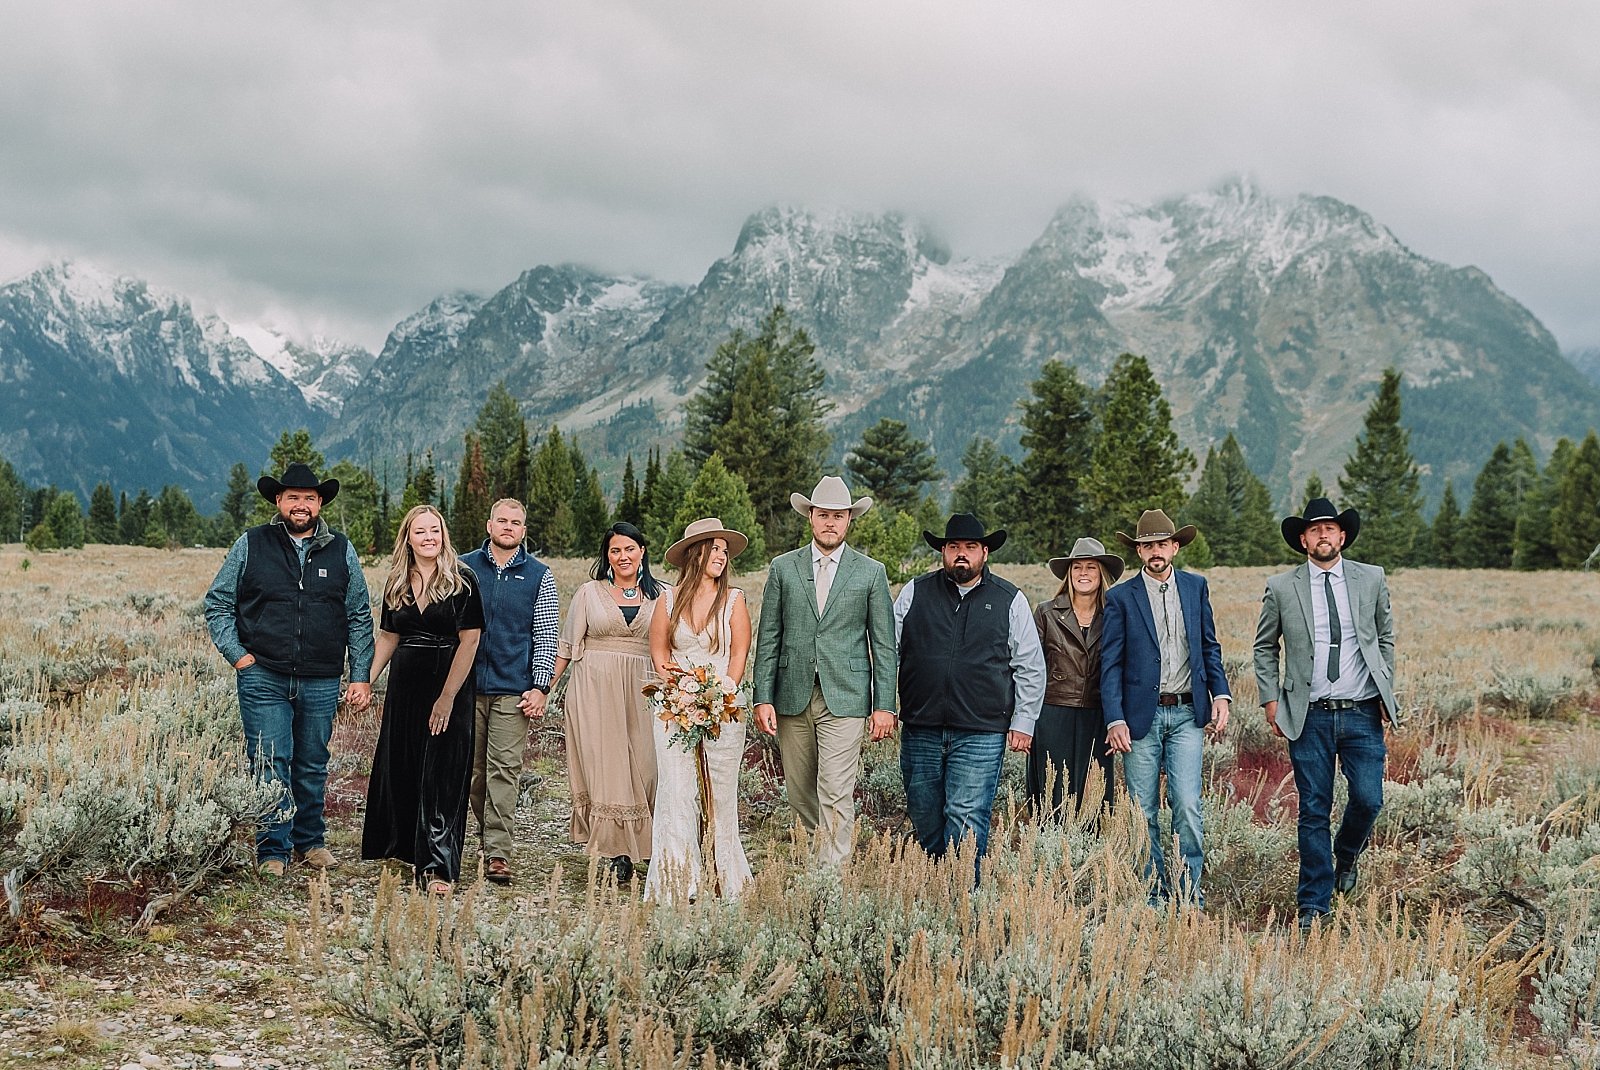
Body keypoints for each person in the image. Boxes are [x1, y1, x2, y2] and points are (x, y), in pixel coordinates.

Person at [204, 462, 374, 878]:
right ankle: (272, 851)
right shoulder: (251, 544)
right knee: (269, 762)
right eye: (293, 497)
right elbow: (218, 603)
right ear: (278, 501)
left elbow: (359, 614)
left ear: (320, 503)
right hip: (264, 675)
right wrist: (238, 656)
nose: (301, 505)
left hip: (320, 676)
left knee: (313, 761)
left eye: (309, 498)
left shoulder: (341, 549)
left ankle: (310, 842)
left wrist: (360, 674)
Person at [1253, 497, 1398, 929]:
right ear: (1303, 540)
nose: (1322, 535)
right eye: (1314, 530)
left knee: (1369, 799)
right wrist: (1270, 699)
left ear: (1342, 535)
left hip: (1362, 711)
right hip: (1308, 714)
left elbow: (1385, 636)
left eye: (1330, 528)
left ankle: (1347, 854)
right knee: (1314, 809)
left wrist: (1385, 686)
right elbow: (1264, 647)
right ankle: (1314, 904)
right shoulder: (1282, 587)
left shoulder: (1371, 578)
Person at [752, 477, 897, 864]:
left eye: (839, 515)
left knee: (835, 790)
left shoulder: (870, 572)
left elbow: (884, 644)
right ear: (810, 517)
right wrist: (762, 696)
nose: (830, 522)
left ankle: (829, 882)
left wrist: (885, 705)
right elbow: (770, 636)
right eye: (823, 515)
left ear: (849, 519)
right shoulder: (783, 568)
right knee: (800, 793)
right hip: (791, 695)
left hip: (846, 697)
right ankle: (814, 862)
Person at [894, 513, 1045, 872]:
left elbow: (1030, 665)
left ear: (985, 553)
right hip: (921, 726)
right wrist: (882, 705)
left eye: (970, 547)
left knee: (966, 817)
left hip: (981, 732)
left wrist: (1024, 722)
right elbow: (888, 651)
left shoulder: (1010, 599)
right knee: (924, 812)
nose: (962, 554)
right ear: (943, 551)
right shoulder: (915, 592)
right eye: (954, 547)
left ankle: (962, 895)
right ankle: (937, 883)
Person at [1101, 509, 1231, 908]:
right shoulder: (1121, 597)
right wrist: (1115, 718)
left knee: (1188, 806)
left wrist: (1221, 694)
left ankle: (1189, 895)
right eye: (1146, 545)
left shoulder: (1195, 587)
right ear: (1138, 551)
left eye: (1161, 543)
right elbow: (1110, 663)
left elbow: (1208, 645)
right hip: (1141, 716)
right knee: (1143, 811)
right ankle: (1152, 897)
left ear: (1175, 547)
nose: (1154, 551)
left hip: (1189, 713)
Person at [362, 505, 484, 893]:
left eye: (435, 530)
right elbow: (388, 637)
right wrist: (364, 681)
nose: (429, 537)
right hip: (405, 685)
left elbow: (471, 640)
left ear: (443, 535)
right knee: (407, 764)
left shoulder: (463, 579)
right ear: (408, 538)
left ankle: (440, 866)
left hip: (449, 682)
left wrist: (447, 697)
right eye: (420, 531)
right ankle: (408, 850)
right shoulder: (397, 580)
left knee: (444, 773)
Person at [644, 517, 754, 901]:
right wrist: (679, 690)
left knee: (719, 793)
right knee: (677, 791)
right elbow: (660, 651)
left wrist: (723, 692)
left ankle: (723, 877)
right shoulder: (668, 601)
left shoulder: (735, 600)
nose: (721, 556)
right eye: (714, 549)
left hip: (724, 710)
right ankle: (678, 881)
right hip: (674, 708)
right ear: (695, 553)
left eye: (725, 551)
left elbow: (739, 653)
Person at [550, 521, 665, 883]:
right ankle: (618, 855)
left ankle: (650, 846)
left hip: (647, 689)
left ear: (642, 552)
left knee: (648, 767)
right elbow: (566, 647)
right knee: (608, 768)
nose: (623, 556)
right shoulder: (588, 593)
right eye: (615, 550)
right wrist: (544, 689)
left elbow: (677, 643)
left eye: (629, 549)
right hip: (594, 690)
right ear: (607, 556)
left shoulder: (664, 594)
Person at [460, 499, 559, 884]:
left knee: (504, 769)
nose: (508, 527)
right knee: (472, 771)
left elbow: (547, 634)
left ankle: (497, 852)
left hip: (512, 689)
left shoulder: (540, 575)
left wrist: (540, 686)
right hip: (465, 686)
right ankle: (483, 835)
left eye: (516, 522)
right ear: (489, 525)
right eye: (502, 520)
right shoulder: (464, 567)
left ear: (523, 530)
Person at [1030, 537, 1124, 818]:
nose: (1083, 573)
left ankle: (1090, 858)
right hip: (1052, 713)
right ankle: (1048, 856)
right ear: (1069, 574)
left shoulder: (1115, 615)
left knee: (1093, 797)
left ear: (1101, 574)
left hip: (1097, 716)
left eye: (1091, 567)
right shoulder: (1046, 612)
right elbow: (1031, 668)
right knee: (1051, 794)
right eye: (1077, 567)